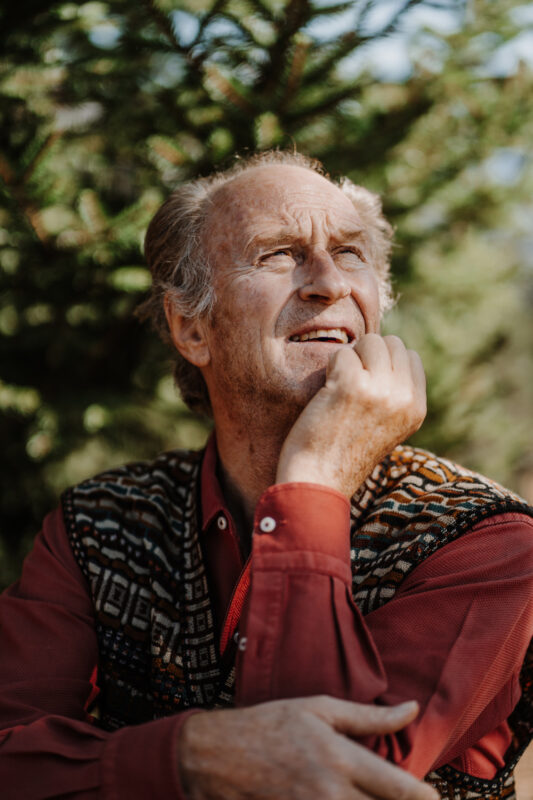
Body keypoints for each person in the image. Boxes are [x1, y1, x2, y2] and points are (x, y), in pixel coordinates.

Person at [1, 150, 532, 800]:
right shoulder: (97, 525)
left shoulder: (485, 539)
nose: (327, 284)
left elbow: (332, 784)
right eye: (277, 254)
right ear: (191, 327)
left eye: (349, 253)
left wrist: (310, 482)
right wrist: (190, 755)